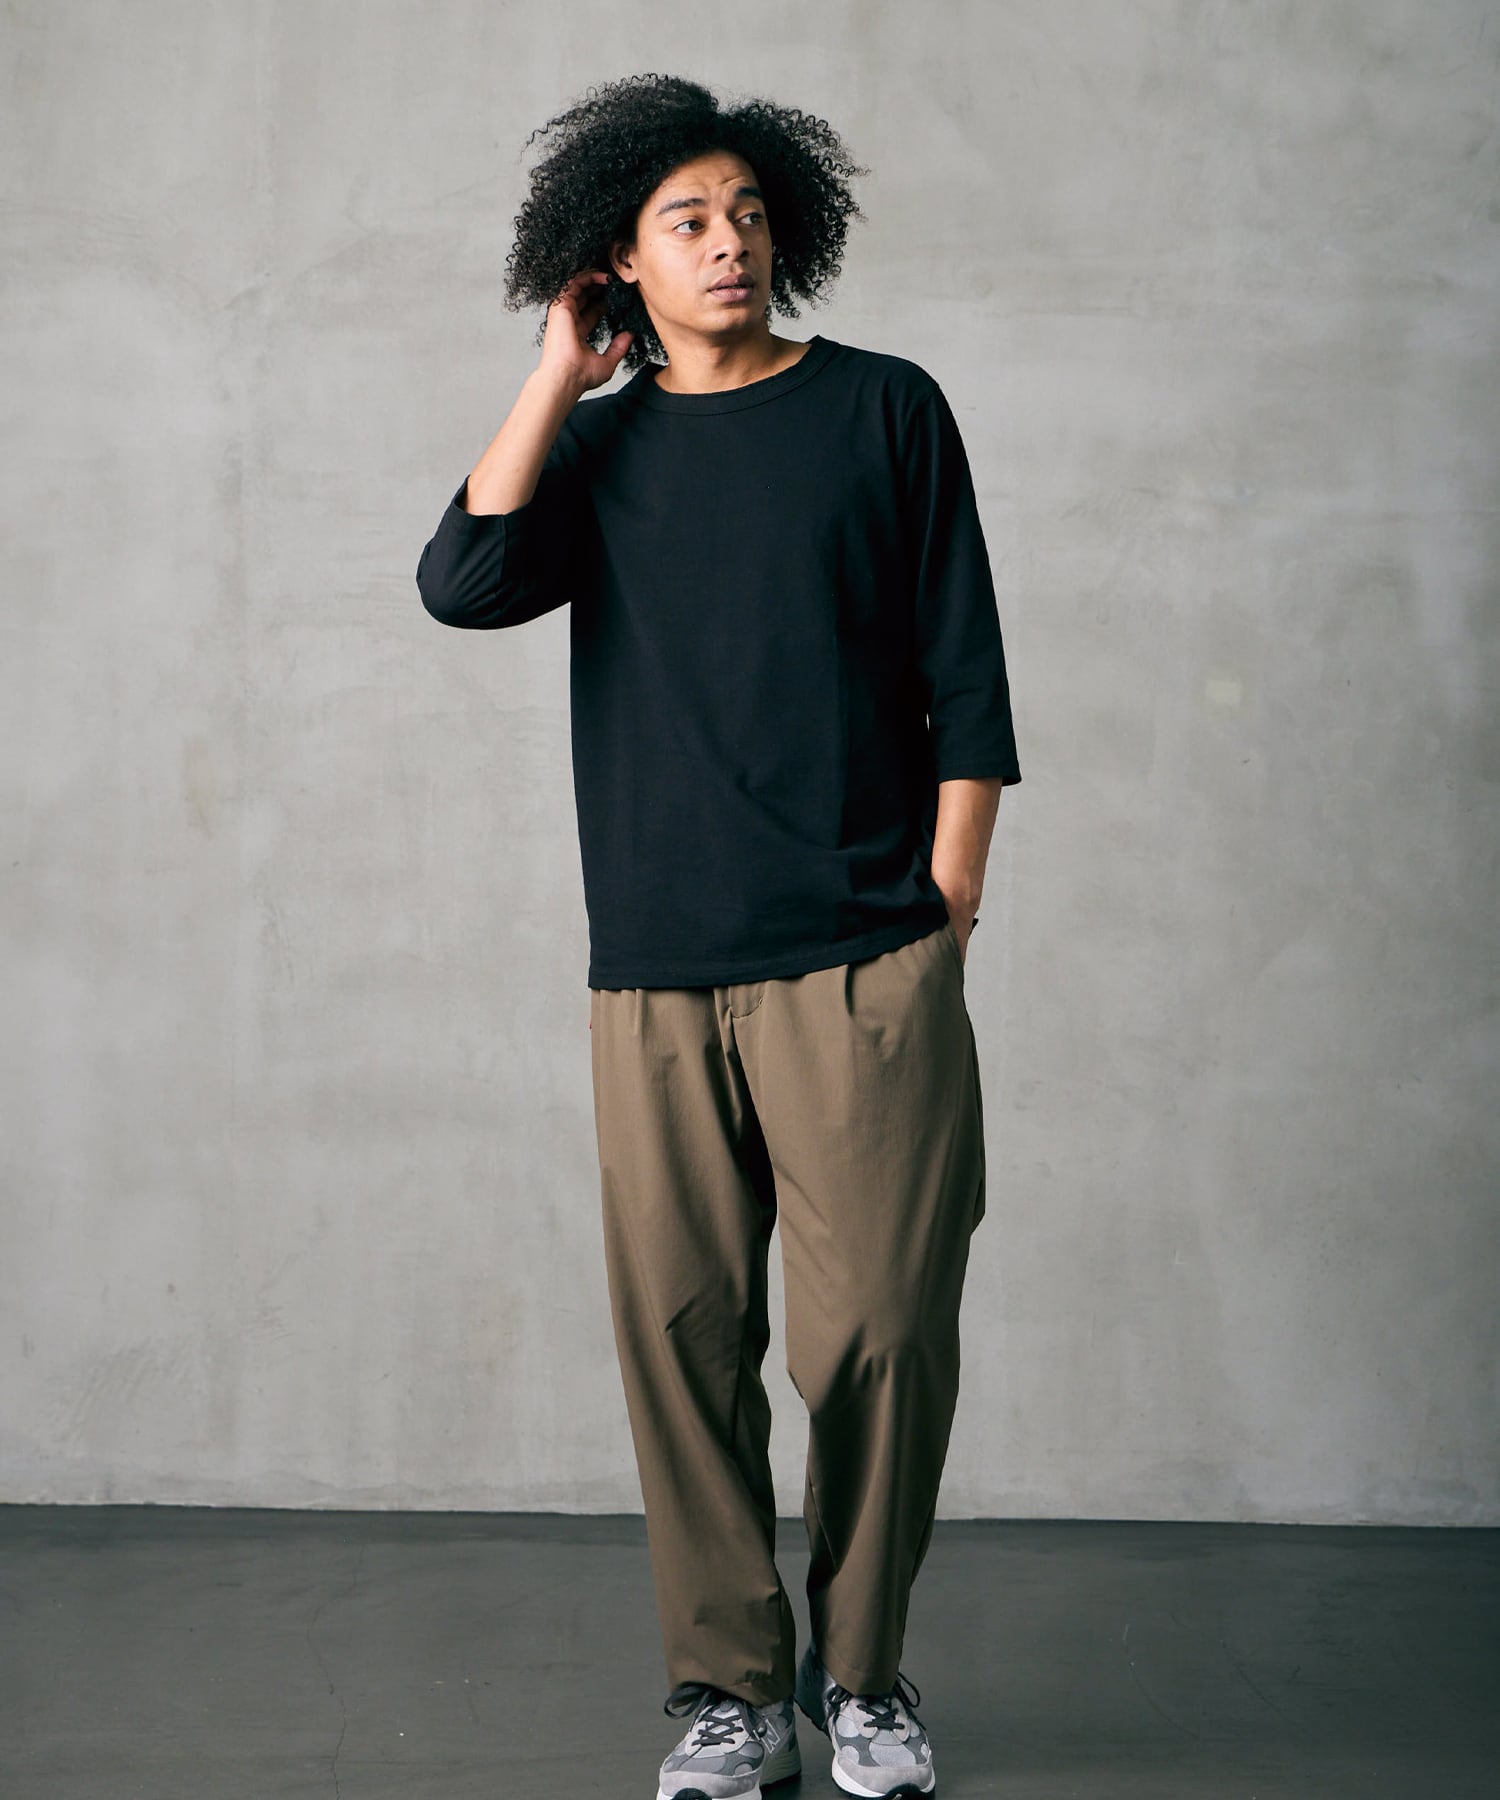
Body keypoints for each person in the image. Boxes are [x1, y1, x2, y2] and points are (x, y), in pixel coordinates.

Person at [415, 72, 1020, 1800]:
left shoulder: (884, 409)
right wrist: (559, 372)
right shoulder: (600, 452)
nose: (729, 242)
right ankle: (728, 1692)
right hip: (659, 970)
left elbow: (968, 678)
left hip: (865, 956)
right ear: (619, 258)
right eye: (686, 220)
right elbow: (462, 581)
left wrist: (946, 912)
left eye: (749, 213)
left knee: (880, 1329)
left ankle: (864, 1677)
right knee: (682, 1341)